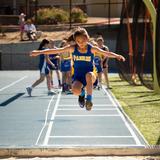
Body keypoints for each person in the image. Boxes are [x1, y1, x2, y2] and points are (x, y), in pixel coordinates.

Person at [30, 27, 125, 111]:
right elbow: (57, 50)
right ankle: (82, 93)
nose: (81, 43)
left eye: (83, 41)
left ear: (87, 39)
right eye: (78, 41)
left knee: (88, 75)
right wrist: (39, 52)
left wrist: (117, 56)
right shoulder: (72, 48)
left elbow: (105, 53)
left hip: (91, 74)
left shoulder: (91, 49)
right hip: (78, 76)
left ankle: (89, 100)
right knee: (75, 90)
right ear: (75, 41)